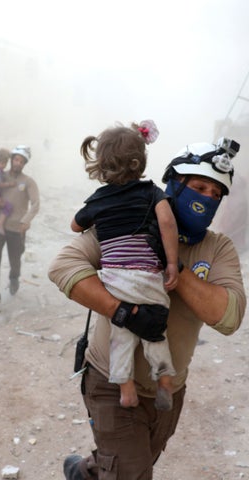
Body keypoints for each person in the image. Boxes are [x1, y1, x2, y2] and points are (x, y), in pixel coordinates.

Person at [48, 137, 247, 480]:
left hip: (168, 387)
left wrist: (175, 268)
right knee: (132, 472)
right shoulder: (128, 220)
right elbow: (63, 267)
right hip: (112, 380)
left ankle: (85, 473)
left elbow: (227, 317)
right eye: (199, 187)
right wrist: (123, 312)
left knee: (132, 462)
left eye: (216, 195)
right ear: (173, 185)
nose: (207, 199)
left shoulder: (218, 248)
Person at [70, 120, 179, 411]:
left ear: (102, 165)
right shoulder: (151, 192)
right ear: (139, 162)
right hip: (148, 278)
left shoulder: (98, 199)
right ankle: (165, 380)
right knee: (154, 330)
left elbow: (74, 225)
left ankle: (126, 389)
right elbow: (167, 222)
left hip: (116, 281)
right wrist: (171, 264)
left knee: (121, 337)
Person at [0, 144, 40, 312]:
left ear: (24, 163)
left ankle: (14, 276)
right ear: (11, 159)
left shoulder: (28, 182)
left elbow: (36, 204)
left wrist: (26, 221)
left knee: (15, 260)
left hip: (17, 229)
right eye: (16, 159)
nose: (17, 163)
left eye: (21, 161)